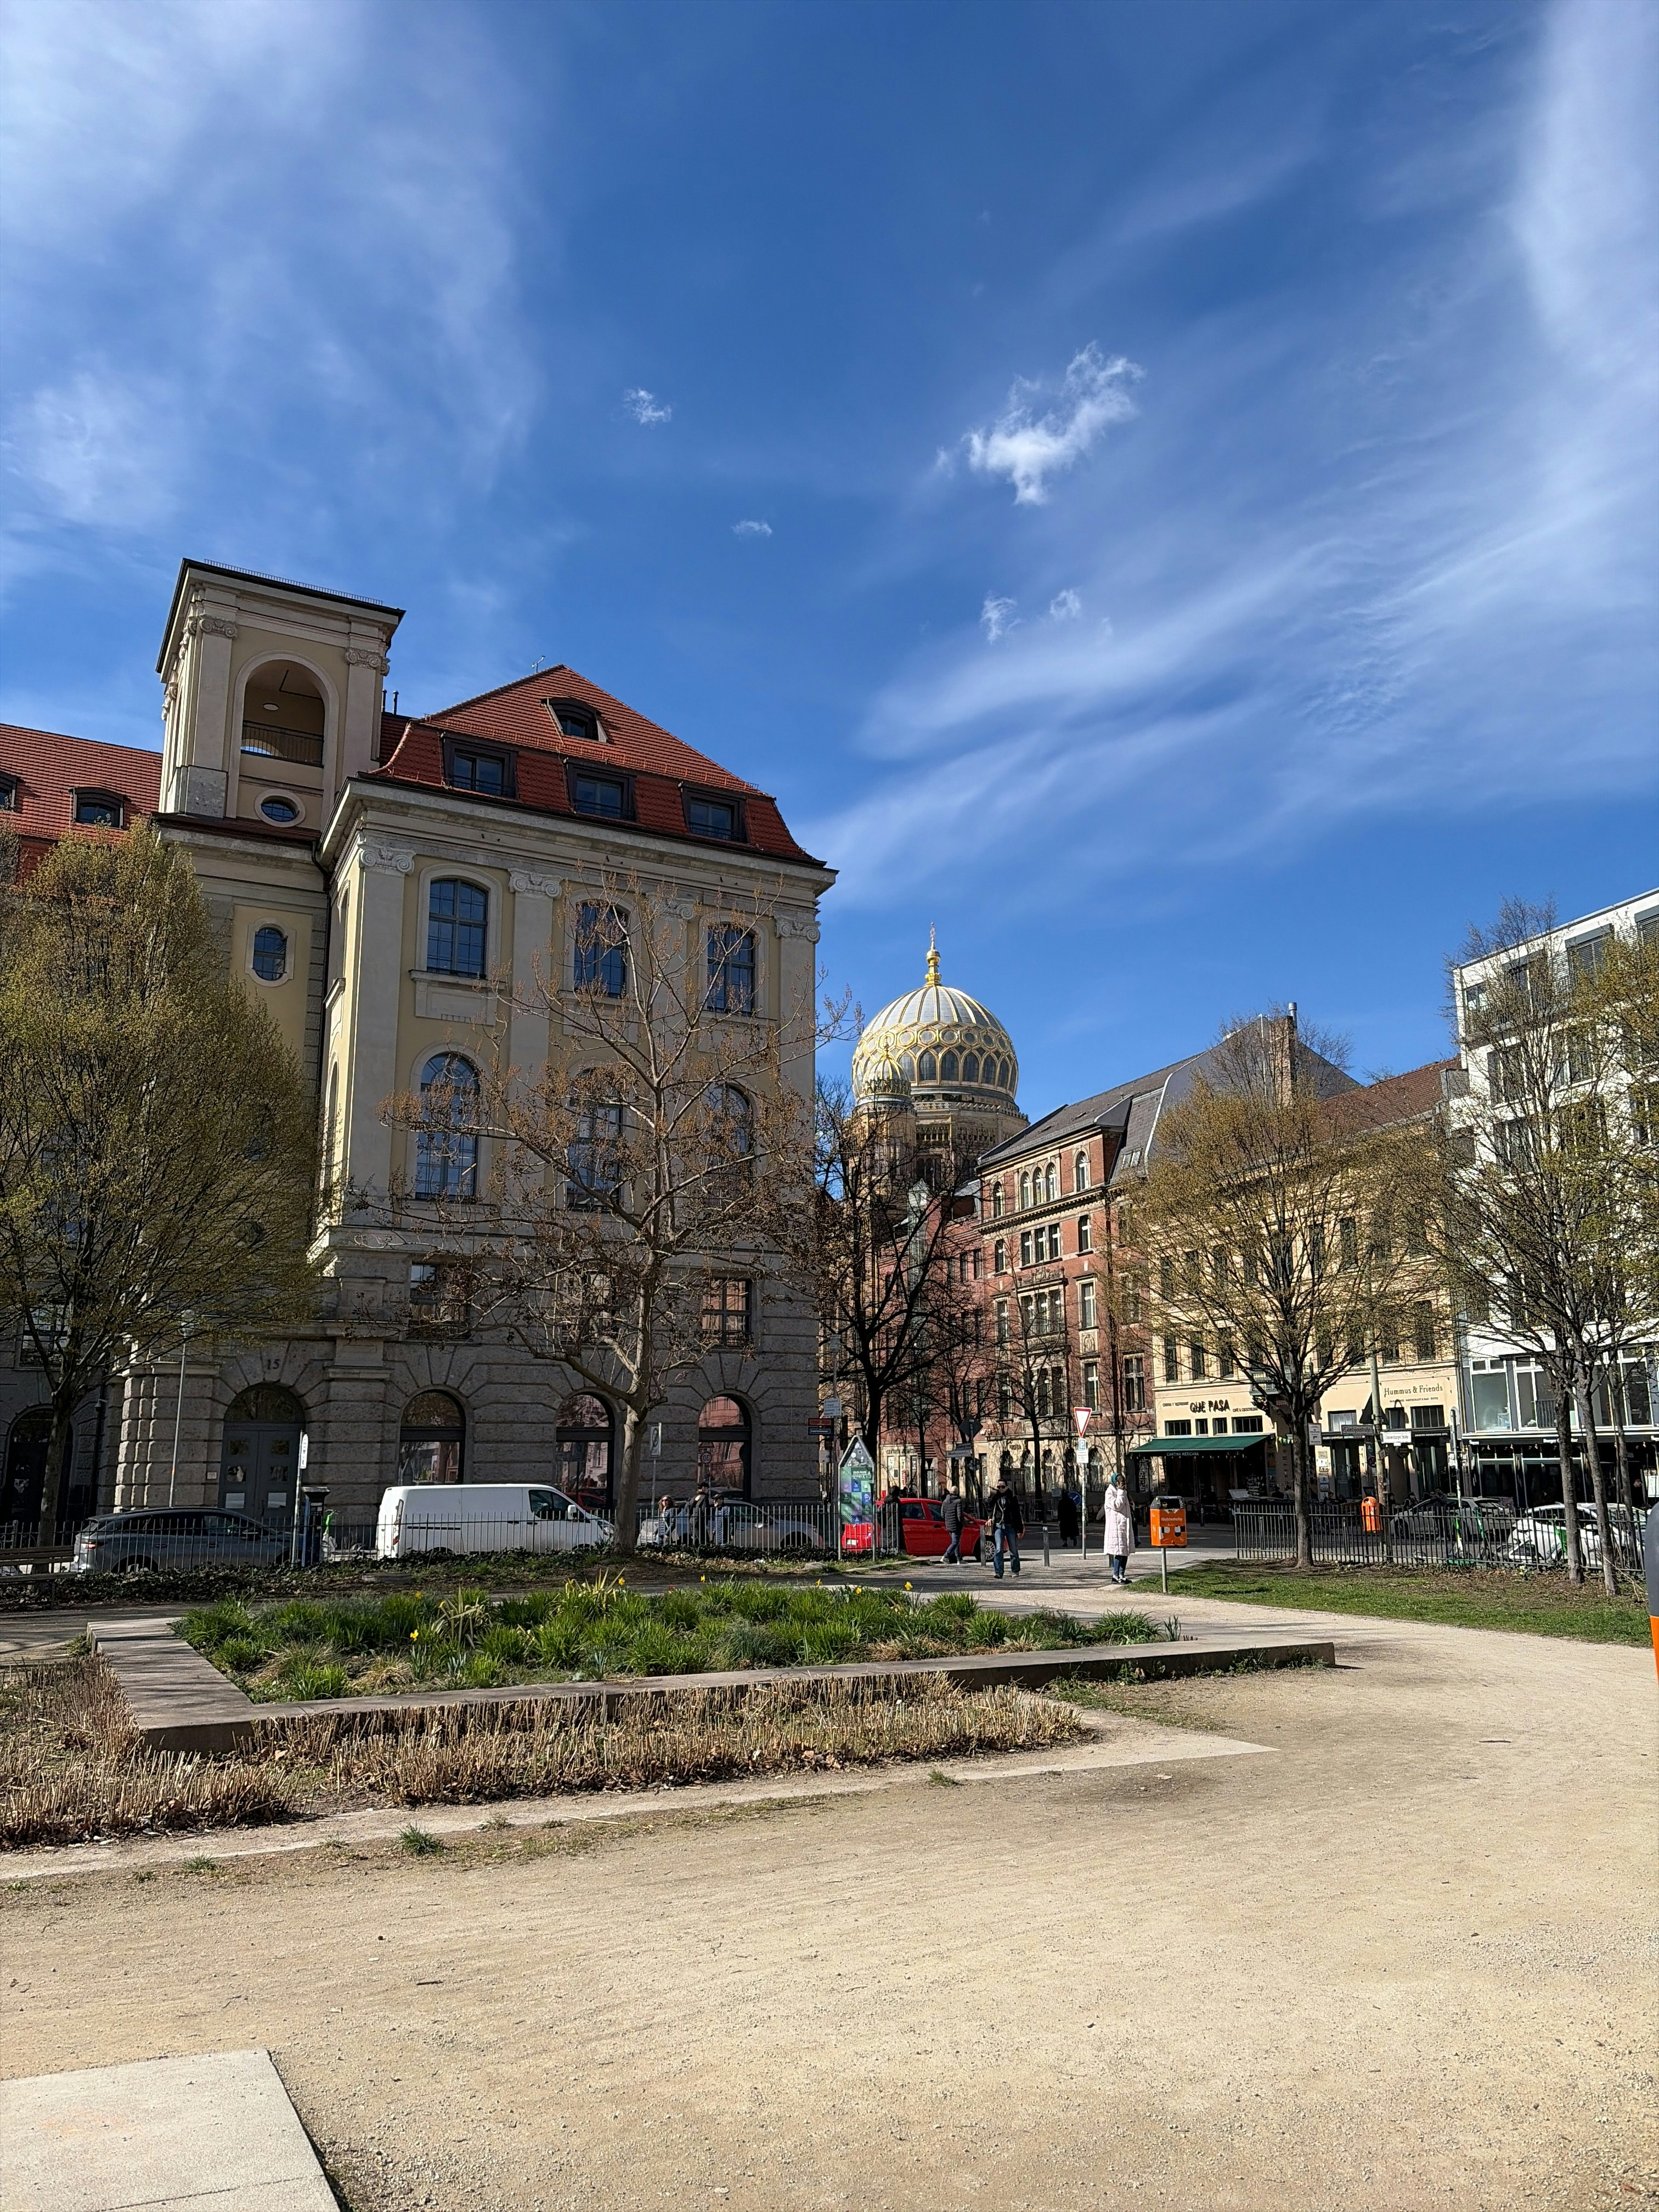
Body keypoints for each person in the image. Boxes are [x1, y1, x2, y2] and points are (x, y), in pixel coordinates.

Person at [1102, 1472, 1135, 1585]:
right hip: (1115, 1527)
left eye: (1124, 1483)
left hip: (1123, 1525)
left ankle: (1122, 1574)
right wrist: (1121, 1492)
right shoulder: (1110, 1492)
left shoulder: (1124, 1492)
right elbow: (1117, 1505)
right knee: (1118, 1552)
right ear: (1116, 1483)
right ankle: (1115, 1575)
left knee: (1125, 1551)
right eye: (1121, 1483)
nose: (1123, 1485)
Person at [990, 1474, 1024, 1578]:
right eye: (999, 1487)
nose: (1001, 1489)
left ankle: (1015, 1570)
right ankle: (999, 1572)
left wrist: (1020, 1529)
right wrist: (990, 1518)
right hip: (999, 1525)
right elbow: (991, 1510)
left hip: (1010, 1526)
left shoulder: (1013, 1498)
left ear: (1007, 1487)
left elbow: (1017, 1514)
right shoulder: (995, 1497)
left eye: (1003, 1487)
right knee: (999, 1549)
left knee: (1013, 1549)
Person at [941, 1475, 965, 1565]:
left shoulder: (945, 1501)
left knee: (956, 1542)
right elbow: (960, 1515)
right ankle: (946, 1556)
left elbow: (942, 1514)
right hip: (956, 1525)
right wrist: (962, 1523)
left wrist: (947, 1521)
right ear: (957, 1492)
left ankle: (959, 1559)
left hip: (949, 1525)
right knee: (955, 1542)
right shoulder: (958, 1501)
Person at [1056, 1482, 1080, 1549]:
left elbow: (1059, 1511)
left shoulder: (1061, 1502)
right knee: (1071, 1531)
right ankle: (1073, 1538)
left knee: (1064, 1532)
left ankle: (1065, 1542)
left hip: (1064, 1520)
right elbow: (1075, 1510)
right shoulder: (1071, 1501)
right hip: (1071, 1519)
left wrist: (1059, 1519)